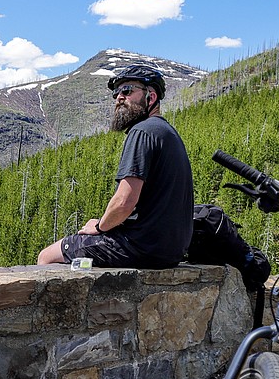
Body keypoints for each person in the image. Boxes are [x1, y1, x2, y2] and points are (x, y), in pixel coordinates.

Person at [37, 63, 193, 268]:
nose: (119, 97)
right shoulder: (166, 132)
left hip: (140, 246)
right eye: (117, 93)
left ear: (151, 97)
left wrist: (100, 227)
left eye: (127, 91)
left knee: (47, 256)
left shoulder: (142, 132)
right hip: (169, 250)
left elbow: (124, 201)